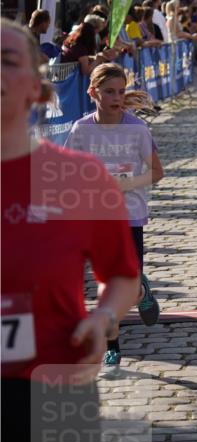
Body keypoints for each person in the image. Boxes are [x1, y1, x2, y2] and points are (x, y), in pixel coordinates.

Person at [1, 20, 139, 442]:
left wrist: (105, 316)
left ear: (39, 86)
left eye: (7, 60)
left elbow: (121, 276)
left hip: (56, 398)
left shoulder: (80, 178)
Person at [65, 62, 163, 372]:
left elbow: (156, 172)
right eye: (109, 92)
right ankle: (112, 346)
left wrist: (125, 184)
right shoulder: (81, 129)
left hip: (129, 215)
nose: (116, 97)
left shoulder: (136, 129)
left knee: (129, 288)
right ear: (93, 93)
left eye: (121, 91)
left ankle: (141, 290)